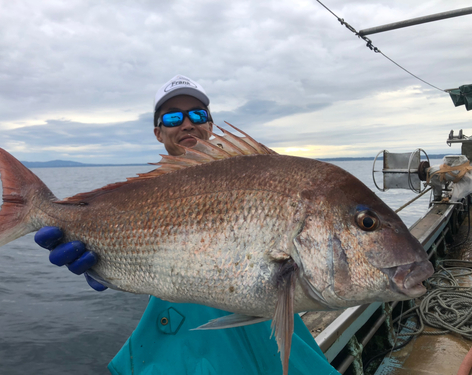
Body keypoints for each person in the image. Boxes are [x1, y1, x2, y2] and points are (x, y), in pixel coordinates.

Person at [35, 75, 339, 375]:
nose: (187, 123)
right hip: (179, 323)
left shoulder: (263, 175)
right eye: (172, 117)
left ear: (210, 124)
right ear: (158, 132)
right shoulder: (145, 195)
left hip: (267, 325)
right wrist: (104, 266)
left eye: (197, 114)